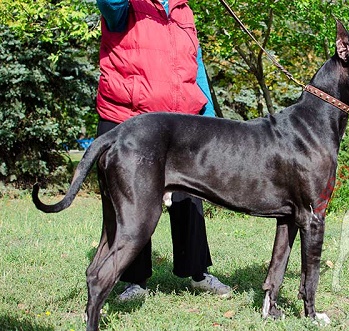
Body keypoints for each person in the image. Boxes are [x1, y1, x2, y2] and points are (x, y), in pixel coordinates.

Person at [95, 0, 231, 300]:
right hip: (131, 123)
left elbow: (195, 67)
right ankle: (134, 280)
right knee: (135, 206)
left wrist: (209, 122)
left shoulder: (183, 10)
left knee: (190, 200)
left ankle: (197, 272)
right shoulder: (125, 6)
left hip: (179, 124)